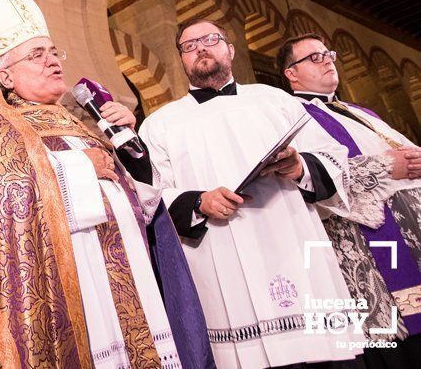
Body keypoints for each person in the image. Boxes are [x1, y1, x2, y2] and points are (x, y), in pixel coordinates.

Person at [0, 0, 212, 368]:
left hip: (129, 276)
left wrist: (130, 146)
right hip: (73, 286)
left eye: (54, 52)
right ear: (6, 76)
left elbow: (141, 198)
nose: (53, 61)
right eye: (37, 55)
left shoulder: (82, 123)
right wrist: (79, 168)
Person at [138, 18, 363, 368]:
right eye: (189, 45)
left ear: (229, 48)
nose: (200, 47)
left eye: (211, 39)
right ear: (182, 59)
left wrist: (298, 167)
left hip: (293, 241)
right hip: (220, 254)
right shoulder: (159, 124)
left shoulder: (275, 100)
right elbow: (152, 195)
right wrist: (198, 201)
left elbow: (334, 158)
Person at [278, 33, 421, 366]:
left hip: (408, 234)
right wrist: (387, 166)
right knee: (388, 342)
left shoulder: (360, 111)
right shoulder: (292, 115)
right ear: (291, 73)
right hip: (358, 245)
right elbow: (309, 176)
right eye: (314, 57)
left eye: (328, 53)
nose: (328, 59)